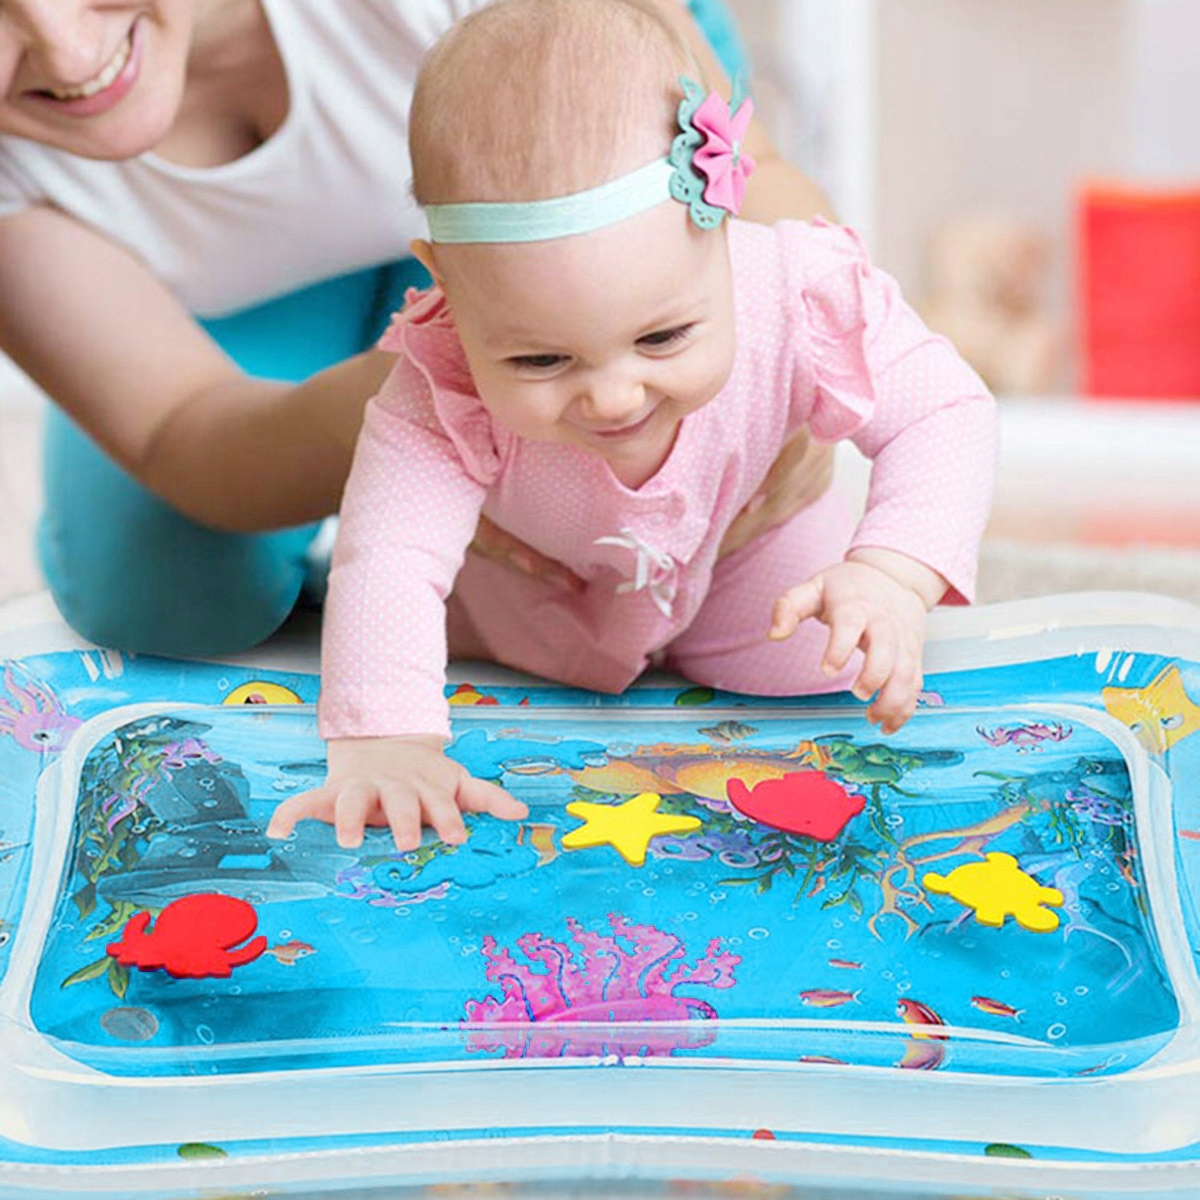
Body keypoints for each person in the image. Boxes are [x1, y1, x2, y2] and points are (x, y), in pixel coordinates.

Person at [265, 0, 998, 853]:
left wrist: (891, 571)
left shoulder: (798, 291)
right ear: (448, 287)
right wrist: (388, 738)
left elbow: (943, 409)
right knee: (456, 670)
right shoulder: (445, 377)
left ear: (723, 227)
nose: (614, 399)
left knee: (840, 674)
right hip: (532, 600)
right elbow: (390, 553)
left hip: (751, 555)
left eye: (662, 337)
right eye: (542, 359)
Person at [0, 0, 833, 657]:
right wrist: (404, 424)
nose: (68, 53)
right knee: (159, 597)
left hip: (547, 228)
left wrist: (781, 364)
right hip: (229, 307)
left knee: (707, 555)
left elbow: (759, 182)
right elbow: (176, 425)